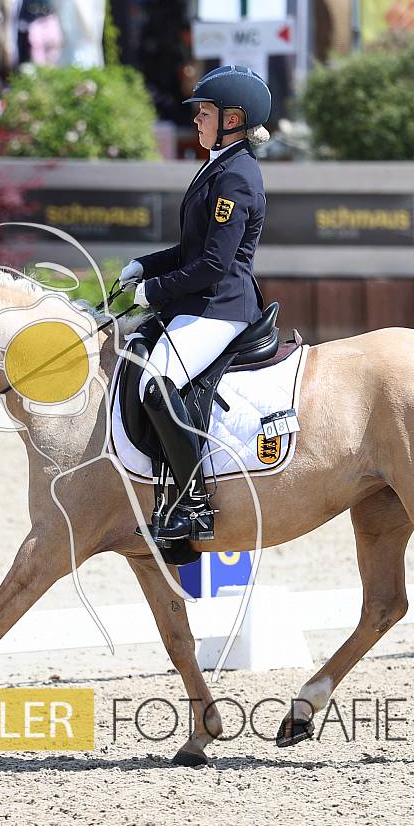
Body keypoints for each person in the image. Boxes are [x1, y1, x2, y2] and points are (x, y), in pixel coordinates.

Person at [117, 64, 272, 545]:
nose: (197, 120)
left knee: (156, 386)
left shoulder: (237, 177)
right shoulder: (218, 165)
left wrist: (154, 291)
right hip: (200, 301)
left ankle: (193, 503)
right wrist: (145, 265)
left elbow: (212, 265)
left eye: (205, 112)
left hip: (221, 307)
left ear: (232, 119)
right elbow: (191, 250)